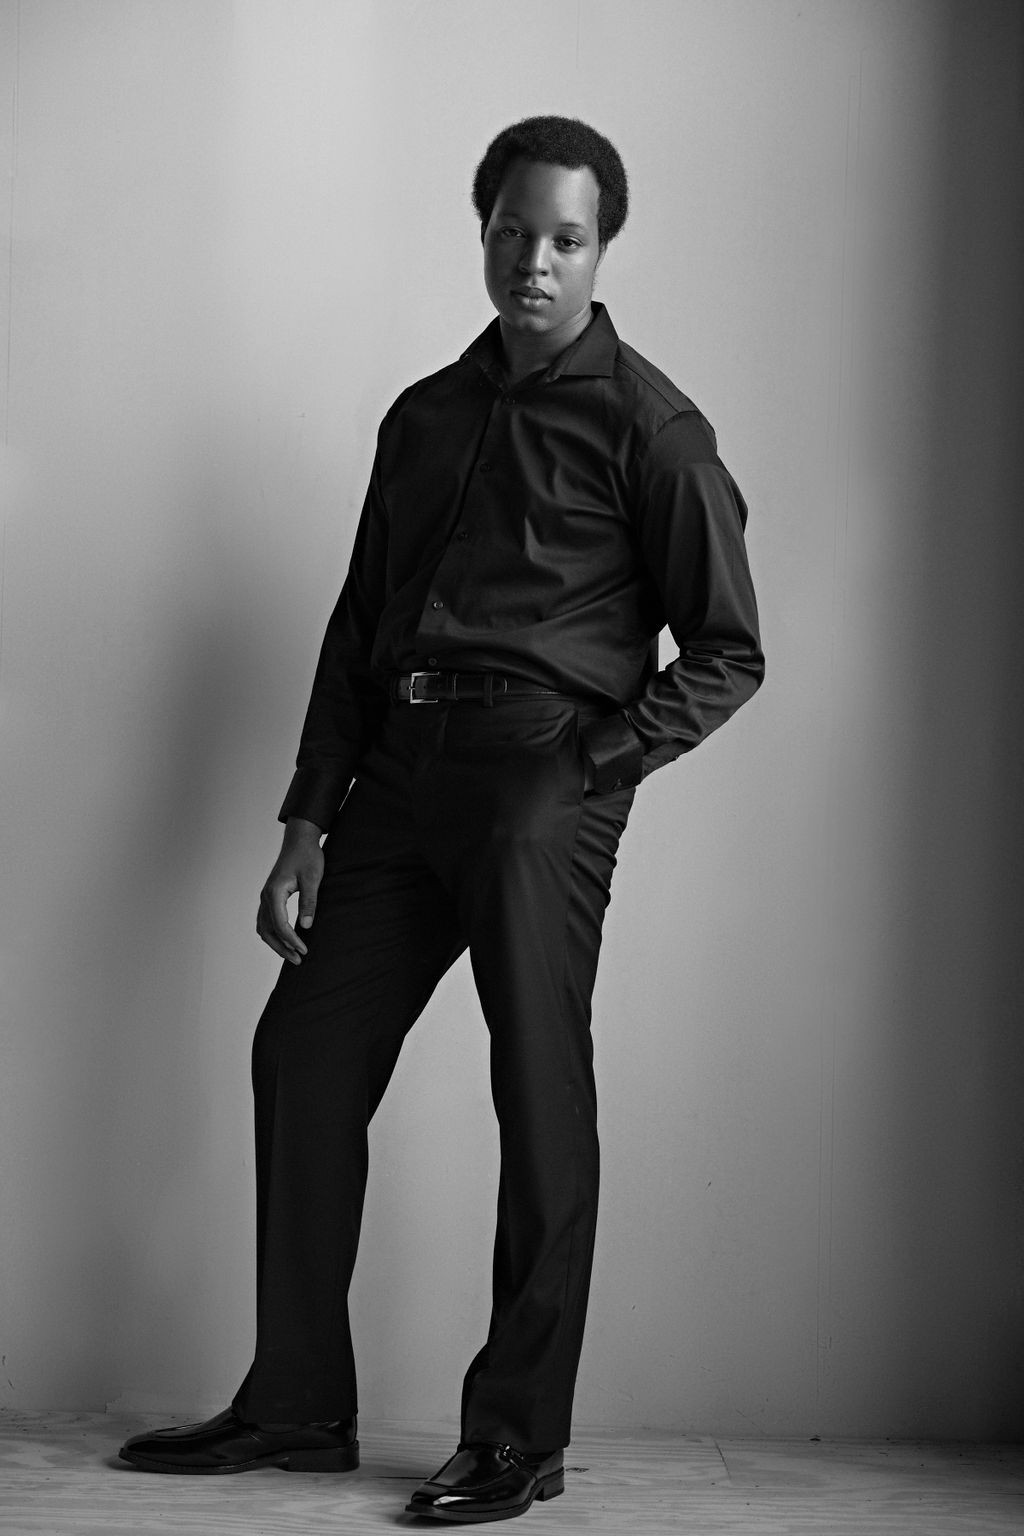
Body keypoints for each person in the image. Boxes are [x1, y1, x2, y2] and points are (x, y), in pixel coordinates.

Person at [119, 114, 764, 1522]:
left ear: (602, 250)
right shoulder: (423, 417)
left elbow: (729, 650)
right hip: (398, 778)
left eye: (566, 239)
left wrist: (588, 766)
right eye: (513, 231)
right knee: (303, 1050)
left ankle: (518, 1438)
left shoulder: (654, 430)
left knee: (536, 1093)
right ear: (482, 230)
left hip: (542, 779)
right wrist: (307, 821)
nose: (535, 261)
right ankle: (295, 1404)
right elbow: (361, 623)